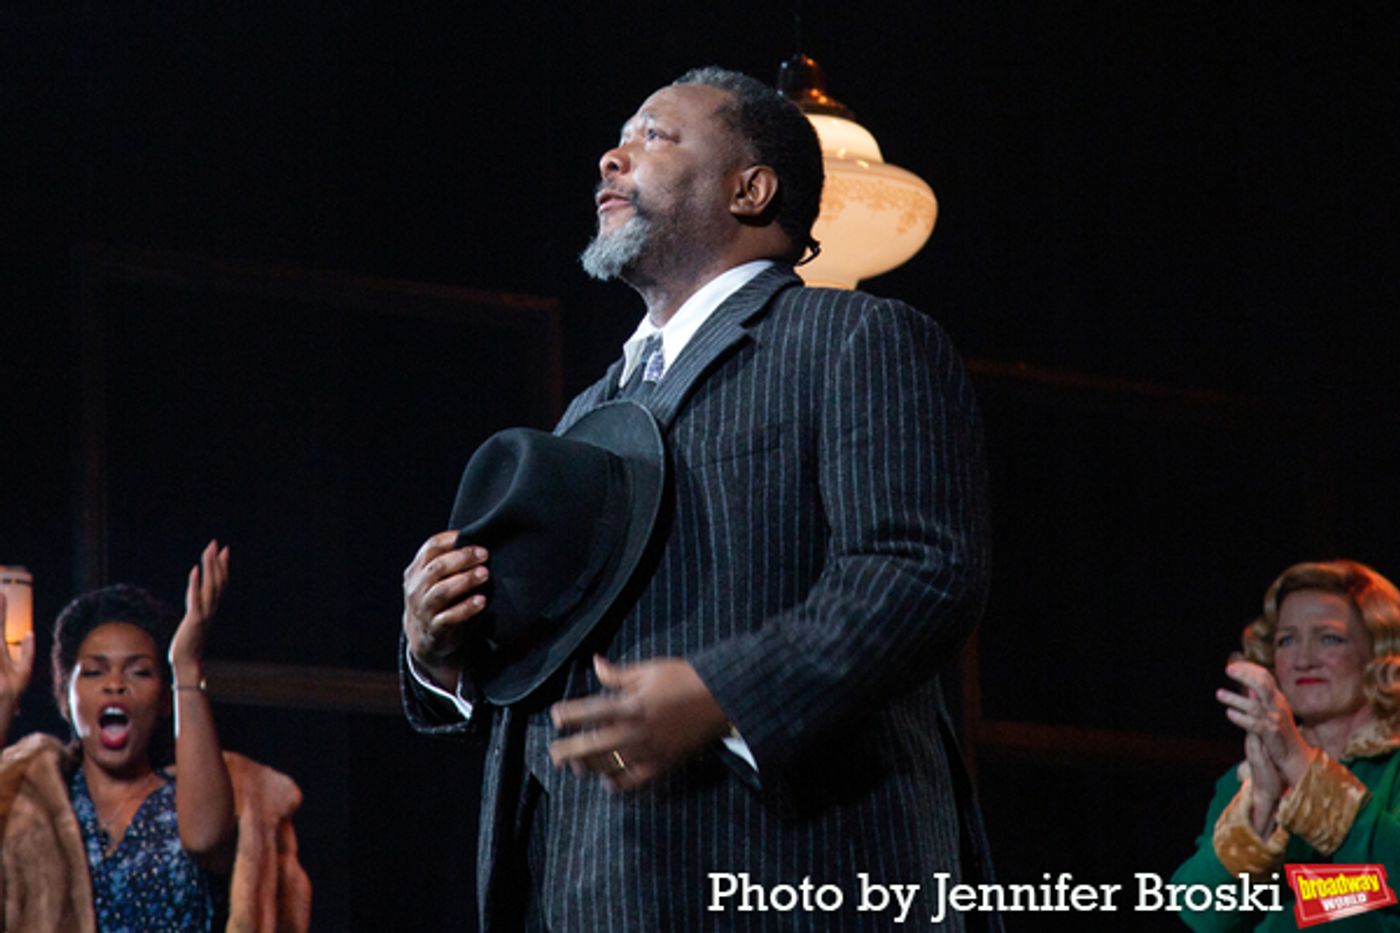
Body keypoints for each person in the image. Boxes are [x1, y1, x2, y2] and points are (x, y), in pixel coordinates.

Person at [401, 66, 997, 931]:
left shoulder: (855, 339)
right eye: (620, 137)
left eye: (653, 136)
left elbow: (921, 571)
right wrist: (442, 653)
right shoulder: (586, 413)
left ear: (750, 189)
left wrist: (723, 693)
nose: (612, 157)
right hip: (582, 889)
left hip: (787, 877)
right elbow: (542, 662)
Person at [0, 541, 312, 931]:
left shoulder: (191, 799)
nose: (115, 684)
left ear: (165, 700)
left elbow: (206, 840)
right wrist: (3, 702)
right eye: (95, 672)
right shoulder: (37, 804)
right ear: (66, 696)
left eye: (139, 672)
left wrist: (183, 664)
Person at [1174, 559, 1400, 930]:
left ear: (1378, 654)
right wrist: (1261, 805)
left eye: (1329, 638)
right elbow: (1197, 911)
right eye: (1287, 640)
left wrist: (1300, 765)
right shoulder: (1246, 778)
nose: (1303, 659)